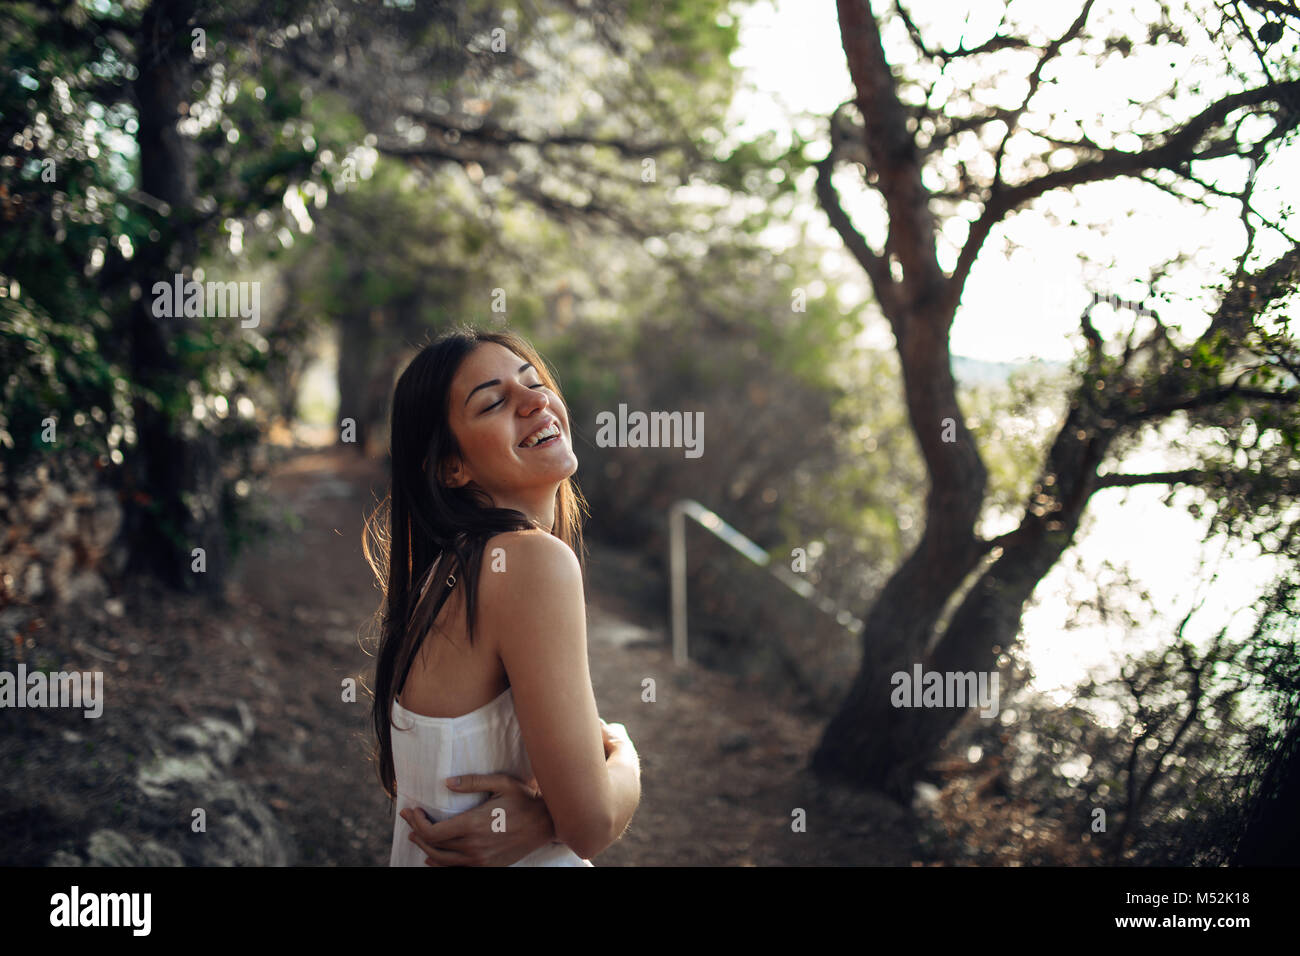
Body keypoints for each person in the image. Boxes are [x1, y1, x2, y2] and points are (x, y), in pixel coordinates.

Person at [365, 325, 641, 865]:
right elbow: (592, 823)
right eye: (493, 402)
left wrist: (544, 812)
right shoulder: (527, 562)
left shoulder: (449, 571)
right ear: (451, 466)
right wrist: (627, 756)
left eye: (533, 382)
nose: (534, 400)